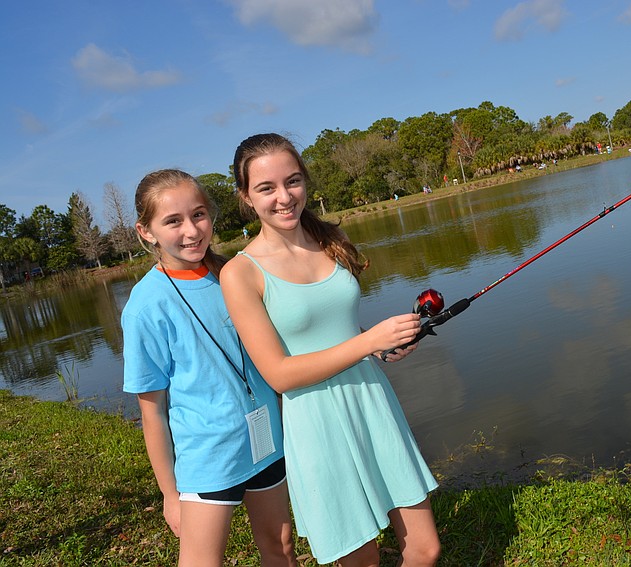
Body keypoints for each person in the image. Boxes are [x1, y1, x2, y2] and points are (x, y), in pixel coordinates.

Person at [220, 133, 441, 567]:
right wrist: (368, 341)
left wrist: (382, 348)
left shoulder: (330, 239)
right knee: (363, 560)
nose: (284, 197)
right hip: (315, 421)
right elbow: (279, 374)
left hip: (371, 401)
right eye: (266, 188)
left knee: (425, 548)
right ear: (246, 197)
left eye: (293, 181)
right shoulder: (239, 273)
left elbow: (338, 328)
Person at [121, 169, 297, 567]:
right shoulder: (145, 307)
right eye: (172, 221)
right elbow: (152, 412)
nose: (191, 230)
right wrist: (170, 494)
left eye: (198, 215)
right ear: (145, 232)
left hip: (266, 439)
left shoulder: (234, 272)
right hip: (208, 457)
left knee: (282, 545)